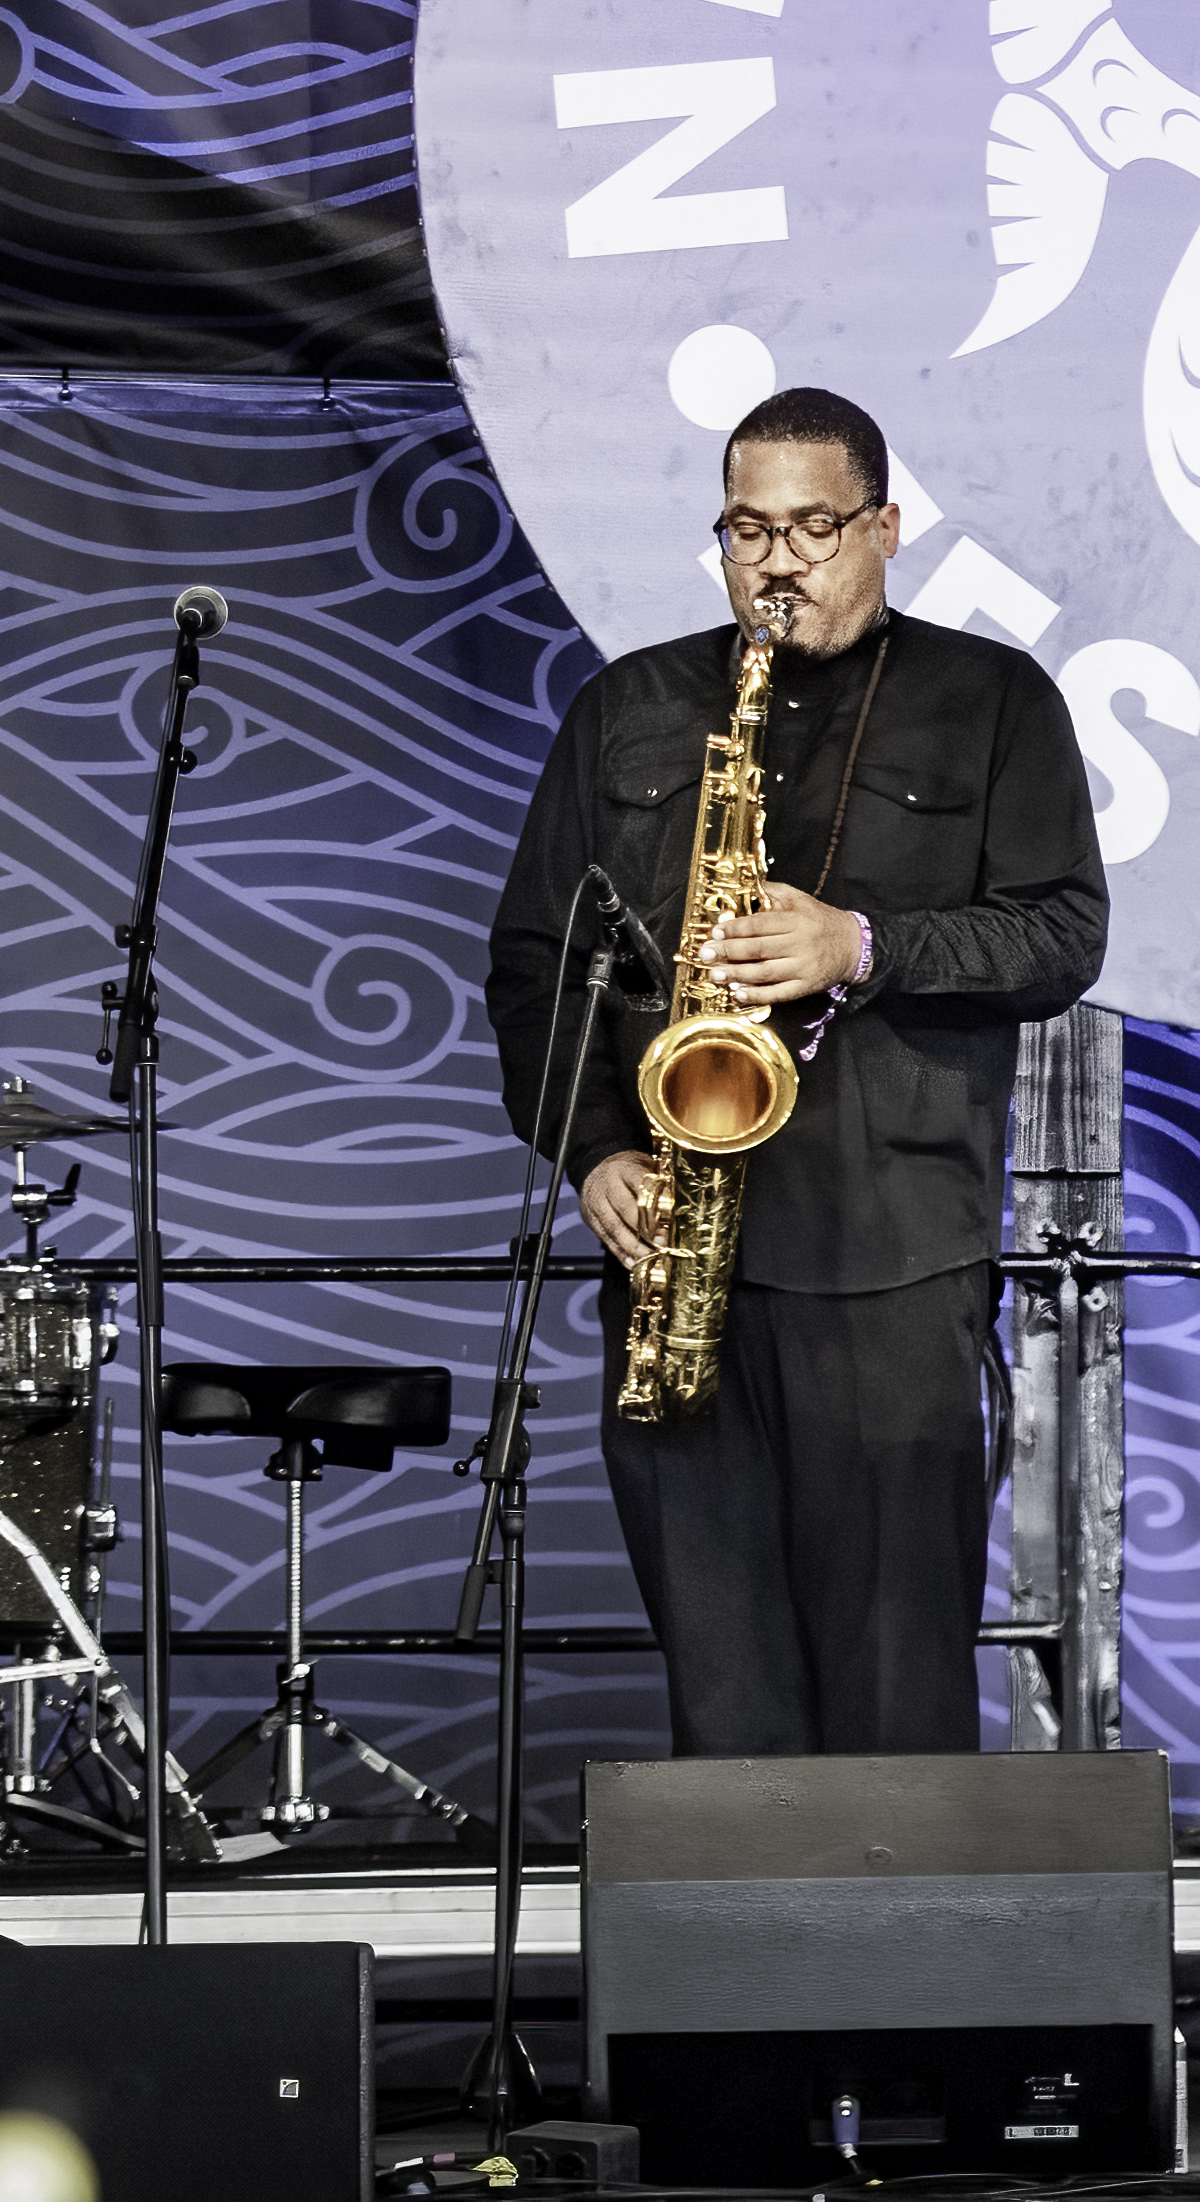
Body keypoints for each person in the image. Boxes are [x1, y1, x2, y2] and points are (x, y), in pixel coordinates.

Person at [484, 388, 1106, 1756]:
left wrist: (856, 943)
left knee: (895, 1689)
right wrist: (593, 1151)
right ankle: (743, 1968)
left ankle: (902, 1970)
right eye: (746, 529)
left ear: (884, 527)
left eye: (813, 528)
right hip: (676, 1260)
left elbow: (1063, 935)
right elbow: (535, 968)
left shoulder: (992, 701)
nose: (777, 561)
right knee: (725, 1701)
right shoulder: (631, 708)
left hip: (890, 1257)